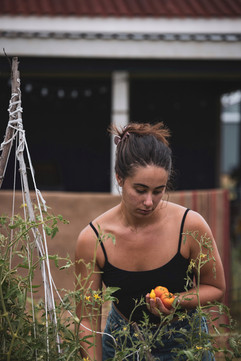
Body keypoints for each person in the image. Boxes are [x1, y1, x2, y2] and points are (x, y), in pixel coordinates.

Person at [75, 122, 226, 361]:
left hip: (185, 344)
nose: (149, 201)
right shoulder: (93, 238)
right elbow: (87, 319)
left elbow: (216, 287)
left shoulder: (190, 225)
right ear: (119, 178)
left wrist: (177, 301)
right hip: (123, 343)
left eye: (158, 191)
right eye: (140, 189)